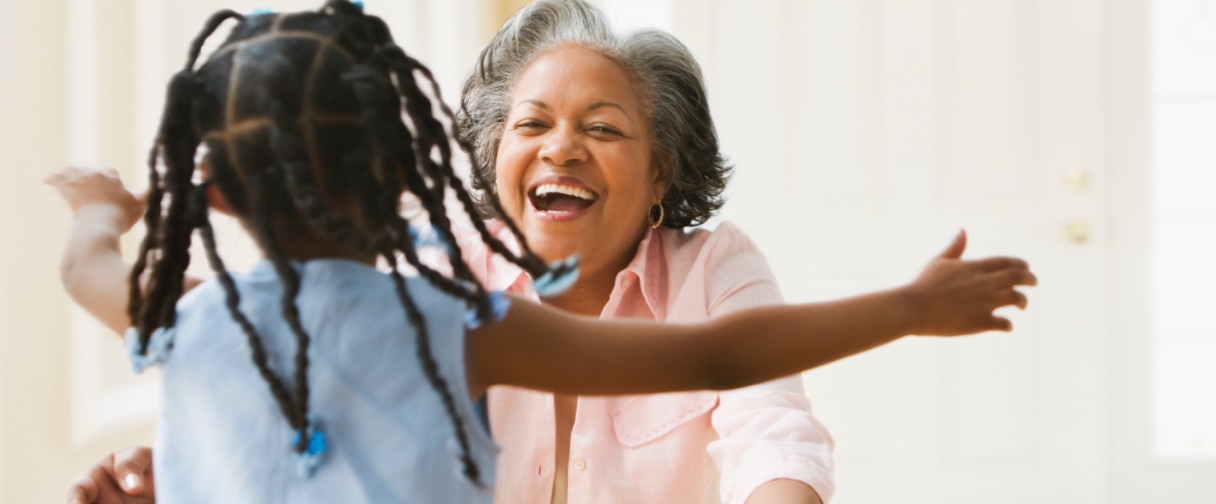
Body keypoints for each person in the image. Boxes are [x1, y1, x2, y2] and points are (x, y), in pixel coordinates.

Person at [50, 1, 1037, 503]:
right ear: (448, 164)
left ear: (662, 174)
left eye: (602, 129)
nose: (560, 147)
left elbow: (765, 419)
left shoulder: (710, 264)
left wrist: (102, 209)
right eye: (532, 124)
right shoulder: (438, 300)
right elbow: (315, 388)